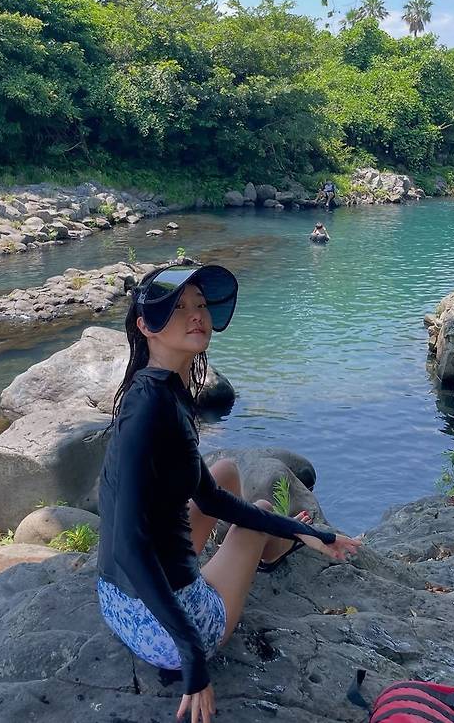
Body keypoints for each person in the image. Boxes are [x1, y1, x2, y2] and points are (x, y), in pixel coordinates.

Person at [96, 263, 361, 723]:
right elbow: (128, 546)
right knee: (259, 509)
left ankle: (281, 542)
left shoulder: (160, 389)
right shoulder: (149, 411)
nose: (195, 315)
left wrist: (311, 532)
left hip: (116, 597)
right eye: (178, 308)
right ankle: (269, 551)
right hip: (164, 630)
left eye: (200, 304)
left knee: (224, 472)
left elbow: (212, 498)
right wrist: (193, 661)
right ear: (146, 326)